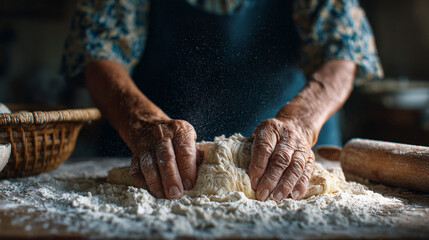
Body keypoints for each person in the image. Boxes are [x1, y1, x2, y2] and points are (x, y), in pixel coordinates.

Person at [62, 0, 383, 201]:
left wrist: (301, 122)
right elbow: (98, 52)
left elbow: (342, 53)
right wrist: (142, 123)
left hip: (286, 154)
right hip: (147, 151)